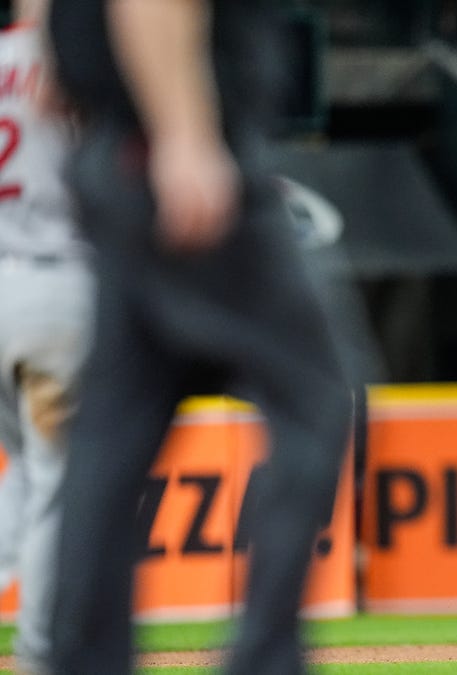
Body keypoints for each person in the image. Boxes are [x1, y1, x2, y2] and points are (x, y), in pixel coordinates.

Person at [46, 1, 352, 673]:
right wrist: (185, 133)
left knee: (115, 428)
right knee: (318, 399)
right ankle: (266, 659)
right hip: (176, 144)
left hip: (114, 147)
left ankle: (82, 656)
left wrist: (60, 48)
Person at [0, 1, 92, 671]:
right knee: (58, 481)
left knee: (21, 477)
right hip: (58, 285)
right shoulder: (78, 63)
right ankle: (40, 655)